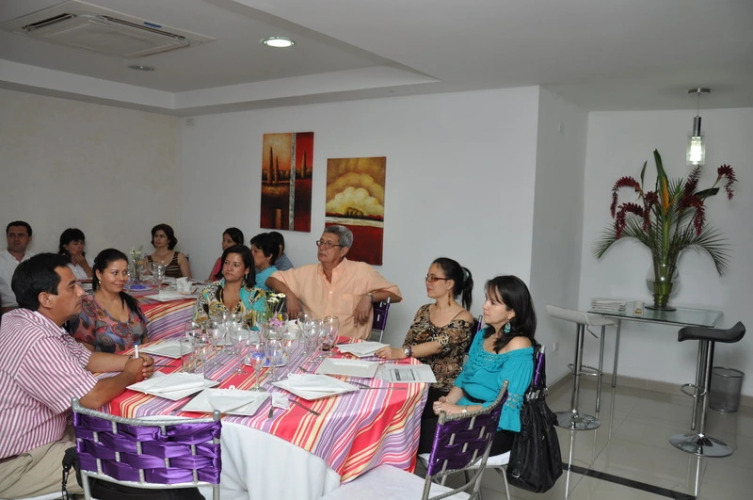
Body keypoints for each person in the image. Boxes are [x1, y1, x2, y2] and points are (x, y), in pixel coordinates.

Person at [0, 253, 154, 498]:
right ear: (46, 298)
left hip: (42, 440)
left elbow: (86, 358)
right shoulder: (38, 340)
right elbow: (92, 397)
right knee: (137, 468)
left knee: (126, 437)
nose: (82, 292)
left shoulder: (19, 319)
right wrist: (129, 375)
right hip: (20, 461)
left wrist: (132, 362)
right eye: (72, 286)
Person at [421, 275, 535, 456]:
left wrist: (459, 410)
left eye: (493, 303)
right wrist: (448, 402)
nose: (484, 306)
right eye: (486, 299)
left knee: (414, 436)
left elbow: (506, 406)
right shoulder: (483, 335)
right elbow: (465, 377)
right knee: (410, 420)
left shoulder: (519, 346)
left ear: (511, 312)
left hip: (491, 425)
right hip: (467, 410)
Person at [266, 225, 402, 339]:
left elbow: (395, 294)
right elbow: (271, 279)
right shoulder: (307, 272)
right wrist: (289, 294)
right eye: (321, 242)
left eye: (329, 244)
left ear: (343, 250)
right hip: (315, 344)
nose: (322, 247)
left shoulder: (362, 272)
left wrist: (369, 297)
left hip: (351, 347)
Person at [375, 257, 474, 402]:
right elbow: (408, 343)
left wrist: (400, 352)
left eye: (434, 278)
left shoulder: (464, 317)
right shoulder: (424, 310)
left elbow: (439, 345)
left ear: (449, 284)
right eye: (427, 277)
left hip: (438, 387)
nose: (428, 282)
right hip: (412, 377)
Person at [69, 249, 148, 353]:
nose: (122, 278)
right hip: (107, 364)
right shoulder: (87, 307)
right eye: (115, 273)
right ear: (99, 274)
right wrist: (127, 360)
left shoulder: (131, 302)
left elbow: (145, 340)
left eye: (125, 272)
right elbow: (86, 356)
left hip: (141, 360)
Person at [193, 244, 266, 326]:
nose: (229, 268)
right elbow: (198, 325)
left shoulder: (256, 295)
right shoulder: (208, 292)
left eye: (236, 265)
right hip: (213, 334)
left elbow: (260, 328)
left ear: (247, 270)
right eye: (226, 263)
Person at [0, 221, 35, 314]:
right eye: (12, 235)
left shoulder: (36, 260)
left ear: (29, 238)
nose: (16, 239)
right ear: (7, 237)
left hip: (34, 310)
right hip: (6, 309)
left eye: (21, 235)